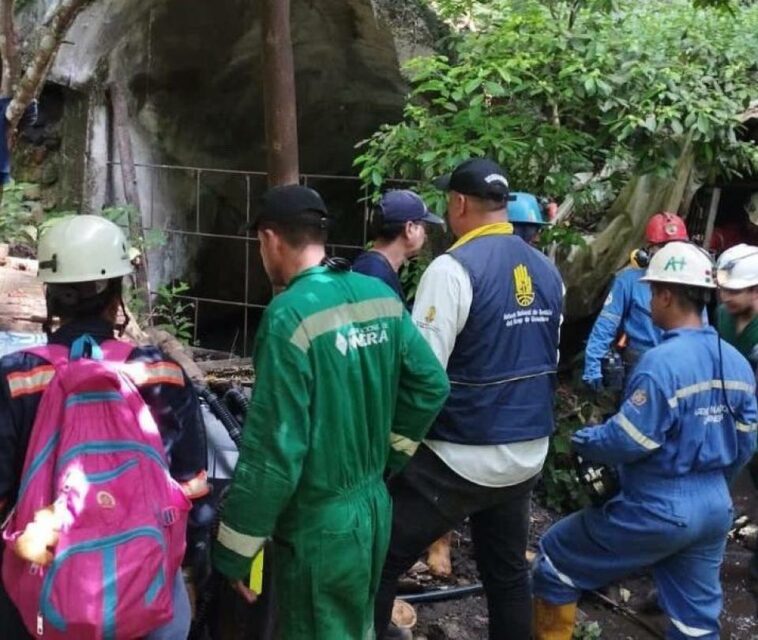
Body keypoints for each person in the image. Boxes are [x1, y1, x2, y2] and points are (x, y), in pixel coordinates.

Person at [211, 185, 449, 640]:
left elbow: (274, 452)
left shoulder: (289, 316)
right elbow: (431, 385)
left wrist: (235, 550)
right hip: (374, 508)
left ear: (270, 239)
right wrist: (389, 455)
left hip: (320, 528)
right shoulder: (375, 294)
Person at [373, 158, 564, 640]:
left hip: (462, 454)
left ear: (458, 204)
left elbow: (422, 375)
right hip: (526, 452)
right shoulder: (547, 270)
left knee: (378, 560)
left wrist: (391, 449)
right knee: (506, 575)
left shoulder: (452, 268)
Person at [532, 241, 758, 640]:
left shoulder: (660, 364)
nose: (649, 299)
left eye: (652, 291)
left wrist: (586, 441)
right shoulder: (737, 363)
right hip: (713, 508)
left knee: (555, 559)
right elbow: (746, 442)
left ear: (667, 295)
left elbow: (629, 440)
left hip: (658, 505)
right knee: (695, 621)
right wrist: (716, 486)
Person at [0, 215, 210, 640]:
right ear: (117, 294)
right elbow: (194, 489)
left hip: (42, 602)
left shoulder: (16, 378)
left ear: (51, 296)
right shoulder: (162, 373)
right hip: (147, 594)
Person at [583, 211, 689, 391]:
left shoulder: (692, 283)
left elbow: (700, 330)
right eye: (663, 246)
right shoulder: (629, 281)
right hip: (639, 365)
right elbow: (607, 323)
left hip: (679, 365)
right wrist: (593, 365)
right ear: (648, 250)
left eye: (675, 247)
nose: (670, 254)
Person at [352, 189, 444, 304]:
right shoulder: (374, 273)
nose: (425, 235)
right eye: (424, 226)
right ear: (409, 228)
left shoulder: (374, 267)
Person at [716, 243, 758, 369]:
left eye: (734, 292)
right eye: (722, 289)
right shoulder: (722, 314)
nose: (725, 297)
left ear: (755, 291)